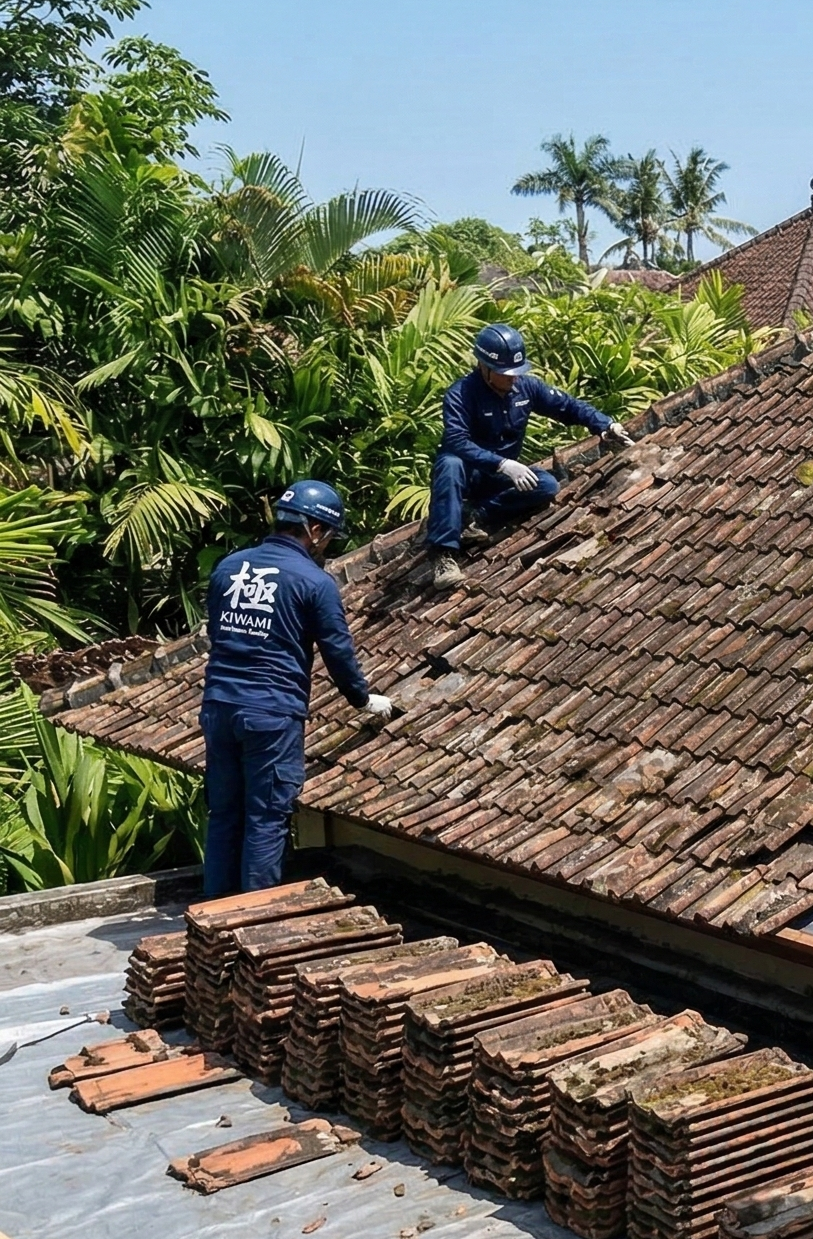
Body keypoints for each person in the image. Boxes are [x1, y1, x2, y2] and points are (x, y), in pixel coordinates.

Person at [198, 480, 396, 897]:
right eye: (328, 536)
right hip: (270, 712)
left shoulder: (228, 568)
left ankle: (212, 916)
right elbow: (337, 651)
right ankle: (254, 921)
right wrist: (362, 699)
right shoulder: (314, 582)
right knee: (266, 818)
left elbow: (217, 635)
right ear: (315, 530)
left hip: (218, 706)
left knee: (224, 815)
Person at [416, 322, 632, 591]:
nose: (512, 378)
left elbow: (567, 406)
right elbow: (456, 441)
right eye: (505, 373)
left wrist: (605, 425)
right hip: (469, 476)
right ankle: (444, 554)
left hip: (501, 481)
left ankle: (474, 517)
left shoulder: (525, 388)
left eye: (516, 372)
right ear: (484, 367)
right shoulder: (460, 395)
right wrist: (502, 464)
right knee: (449, 463)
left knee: (546, 485)